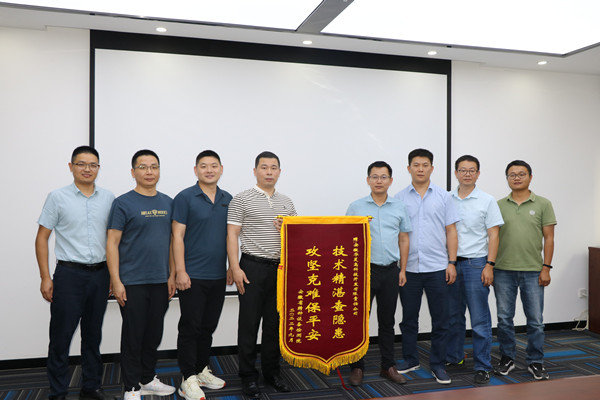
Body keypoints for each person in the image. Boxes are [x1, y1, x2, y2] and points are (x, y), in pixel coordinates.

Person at [36, 146, 114, 400]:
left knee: (93, 335)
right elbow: (42, 237)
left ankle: (91, 388)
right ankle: (57, 392)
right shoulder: (57, 197)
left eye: (93, 164)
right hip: (69, 275)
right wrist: (45, 277)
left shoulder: (109, 198)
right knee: (61, 337)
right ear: (71, 167)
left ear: (98, 168)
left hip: (100, 275)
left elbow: (114, 241)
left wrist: (113, 276)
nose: (87, 169)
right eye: (81, 164)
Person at [106, 149, 176, 399]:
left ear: (159, 170)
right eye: (143, 167)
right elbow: (112, 243)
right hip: (132, 281)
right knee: (133, 335)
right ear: (133, 171)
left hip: (160, 280)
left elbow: (172, 242)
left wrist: (172, 274)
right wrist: (116, 280)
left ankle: (147, 378)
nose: (149, 172)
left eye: (154, 167)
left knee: (153, 333)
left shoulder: (168, 202)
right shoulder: (123, 203)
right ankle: (131, 387)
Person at [227, 151, 297, 398]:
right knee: (249, 325)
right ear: (255, 171)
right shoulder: (241, 199)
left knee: (274, 325)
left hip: (280, 269)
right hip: (251, 268)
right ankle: (248, 377)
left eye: (273, 168)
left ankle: (272, 373)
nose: (269, 172)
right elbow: (232, 234)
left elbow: (297, 238)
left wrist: (287, 229)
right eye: (264, 167)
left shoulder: (287, 202)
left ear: (279, 172)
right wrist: (235, 267)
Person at [394, 148, 459, 385]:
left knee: (441, 319)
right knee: (408, 318)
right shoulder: (399, 198)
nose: (420, 169)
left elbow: (451, 231)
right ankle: (410, 359)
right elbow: (397, 234)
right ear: (408, 168)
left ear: (432, 168)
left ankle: (438, 364)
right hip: (409, 268)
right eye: (416, 165)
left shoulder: (444, 197)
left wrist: (451, 262)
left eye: (425, 165)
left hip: (437, 267)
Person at [172, 150, 232, 399]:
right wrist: (180, 271)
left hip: (217, 275)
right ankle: (187, 378)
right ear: (195, 170)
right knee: (191, 327)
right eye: (204, 166)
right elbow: (177, 236)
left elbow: (230, 237)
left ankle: (200, 370)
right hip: (192, 275)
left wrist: (232, 266)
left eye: (214, 165)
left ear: (221, 169)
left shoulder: (228, 198)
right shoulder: (185, 197)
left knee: (208, 327)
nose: (209, 170)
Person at [346, 161, 411, 386]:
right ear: (368, 180)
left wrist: (403, 269)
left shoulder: (399, 207)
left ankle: (388, 366)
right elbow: (346, 239)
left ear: (391, 181)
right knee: (359, 322)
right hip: (364, 273)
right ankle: (357, 367)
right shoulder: (356, 207)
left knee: (387, 322)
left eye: (384, 177)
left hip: (391, 271)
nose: (379, 181)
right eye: (374, 177)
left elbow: (404, 239)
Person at [494, 160, 556, 380]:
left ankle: (535, 361)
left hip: (533, 271)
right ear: (507, 179)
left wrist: (546, 267)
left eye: (521, 174)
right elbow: (492, 237)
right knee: (504, 319)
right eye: (512, 175)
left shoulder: (543, 204)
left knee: (535, 321)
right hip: (503, 270)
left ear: (530, 177)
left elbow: (549, 238)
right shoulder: (498, 205)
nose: (517, 178)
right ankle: (507, 358)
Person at [446, 155, 504, 385]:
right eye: (463, 170)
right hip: (451, 263)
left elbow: (494, 235)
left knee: (479, 319)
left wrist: (490, 264)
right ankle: (455, 357)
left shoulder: (487, 200)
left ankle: (483, 366)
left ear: (478, 174)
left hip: (476, 263)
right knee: (453, 315)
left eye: (472, 170)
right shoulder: (446, 198)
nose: (467, 174)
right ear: (456, 173)